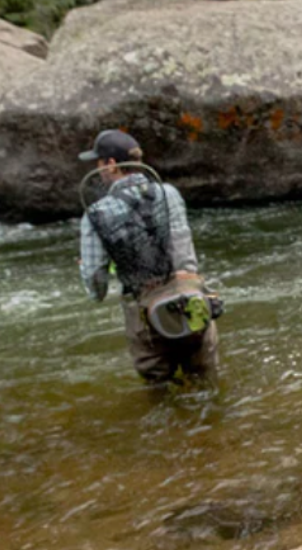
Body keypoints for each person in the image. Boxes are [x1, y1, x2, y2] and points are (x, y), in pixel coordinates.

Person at [78, 130, 219, 383]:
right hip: (192, 301)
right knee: (205, 384)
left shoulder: (96, 214)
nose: (98, 170)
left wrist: (87, 274)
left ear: (112, 164)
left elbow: (95, 287)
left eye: (99, 162)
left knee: (159, 391)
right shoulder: (170, 194)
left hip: (144, 315)